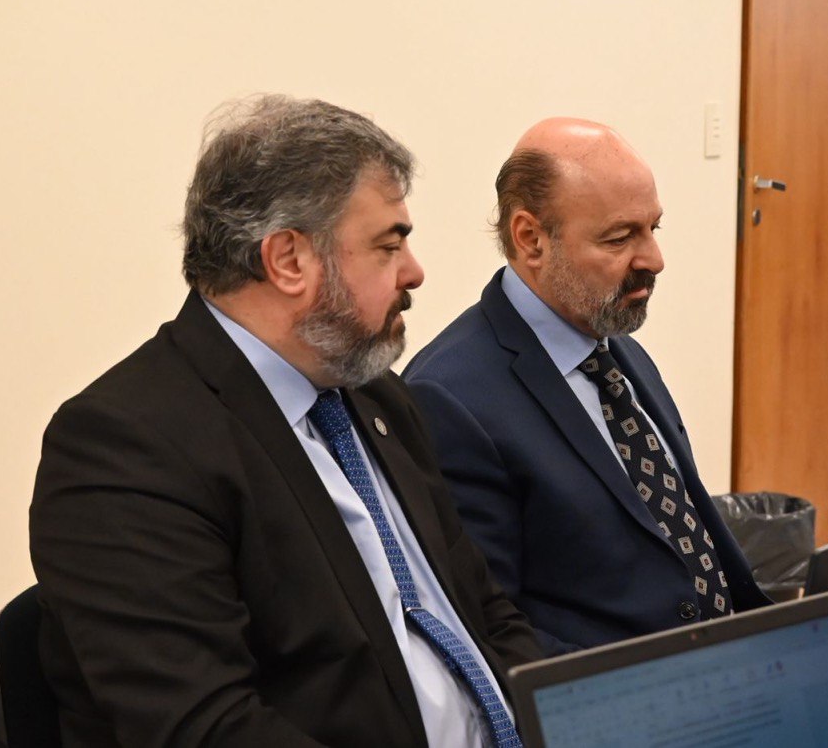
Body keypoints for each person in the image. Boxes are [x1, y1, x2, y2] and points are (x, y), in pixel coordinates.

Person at [30, 96, 542, 747]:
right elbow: (207, 728)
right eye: (388, 246)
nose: (414, 271)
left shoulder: (378, 399)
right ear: (289, 261)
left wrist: (570, 719)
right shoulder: (126, 447)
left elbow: (484, 613)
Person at [403, 118, 769, 654]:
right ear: (530, 239)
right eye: (620, 238)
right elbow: (485, 628)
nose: (654, 260)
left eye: (654, 228)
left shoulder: (613, 347)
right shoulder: (448, 397)